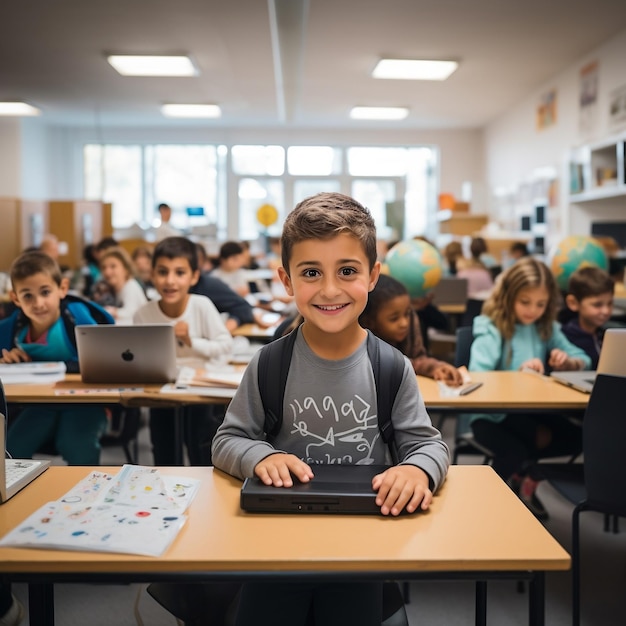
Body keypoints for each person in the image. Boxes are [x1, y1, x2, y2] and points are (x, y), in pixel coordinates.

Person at [212, 192, 449, 626]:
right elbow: (228, 440)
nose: (329, 289)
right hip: (277, 544)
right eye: (310, 272)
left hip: (361, 544)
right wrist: (262, 456)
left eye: (347, 271)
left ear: (373, 275)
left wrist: (417, 470)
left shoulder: (392, 366)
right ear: (286, 281)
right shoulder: (269, 363)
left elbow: (429, 446)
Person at [468, 256, 591, 519]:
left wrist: (568, 361)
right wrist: (519, 374)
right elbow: (479, 373)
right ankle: (487, 507)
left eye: (540, 304)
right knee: (519, 449)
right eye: (525, 302)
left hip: (529, 412)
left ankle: (526, 475)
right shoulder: (491, 325)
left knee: (580, 438)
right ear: (508, 296)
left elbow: (584, 358)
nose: (532, 310)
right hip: (490, 415)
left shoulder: (545, 326)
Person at [0, 251, 114, 464]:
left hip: (85, 402)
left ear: (62, 289)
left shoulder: (77, 317)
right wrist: (6, 361)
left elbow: (101, 359)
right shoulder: (12, 329)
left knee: (77, 445)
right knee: (12, 447)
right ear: (15, 298)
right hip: (41, 404)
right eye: (27, 296)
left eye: (45, 292)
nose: (38, 303)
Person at [133, 236, 233, 465]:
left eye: (179, 272)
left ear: (194, 276)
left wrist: (191, 341)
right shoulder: (143, 313)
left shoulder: (201, 305)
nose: (170, 281)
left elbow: (225, 345)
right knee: (165, 452)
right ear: (151, 274)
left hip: (201, 391)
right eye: (162, 272)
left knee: (202, 448)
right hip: (162, 393)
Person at [360, 274, 464, 385]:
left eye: (407, 313)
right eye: (394, 319)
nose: (404, 323)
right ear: (369, 322)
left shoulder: (411, 322)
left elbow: (418, 359)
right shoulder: (359, 350)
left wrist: (437, 367)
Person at [561, 266, 615, 369]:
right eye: (597, 305)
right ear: (573, 303)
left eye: (610, 303)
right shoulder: (563, 337)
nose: (606, 311)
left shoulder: (607, 334)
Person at [97, 246, 148, 323]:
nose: (107, 272)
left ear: (126, 269)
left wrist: (112, 311)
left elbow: (131, 313)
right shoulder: (116, 290)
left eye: (113, 266)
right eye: (104, 268)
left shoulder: (130, 286)